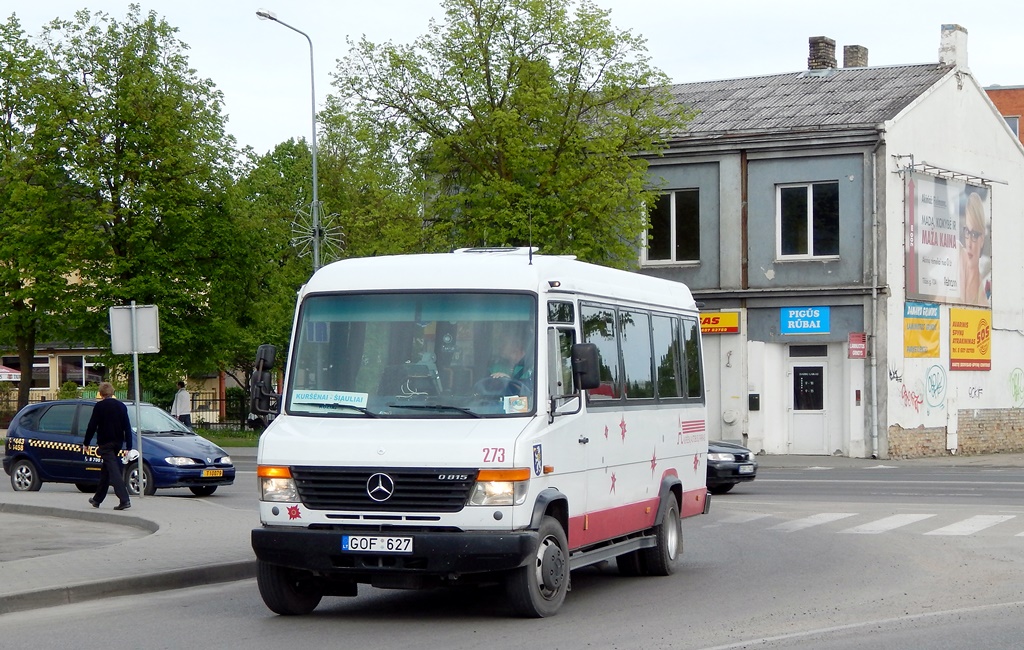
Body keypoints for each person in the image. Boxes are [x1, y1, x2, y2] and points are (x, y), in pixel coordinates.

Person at [83, 382, 133, 510]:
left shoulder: (99, 407)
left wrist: (86, 443)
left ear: (101, 394)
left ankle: (124, 499)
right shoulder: (121, 406)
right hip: (118, 443)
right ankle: (97, 499)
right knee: (106, 471)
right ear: (112, 392)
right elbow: (127, 427)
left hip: (105, 443)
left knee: (114, 471)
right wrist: (129, 446)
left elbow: (92, 426)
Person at [959, 192, 990, 307]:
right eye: (967, 231)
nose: (969, 243)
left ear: (982, 239)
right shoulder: (956, 262)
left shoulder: (985, 292)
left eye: (975, 235)